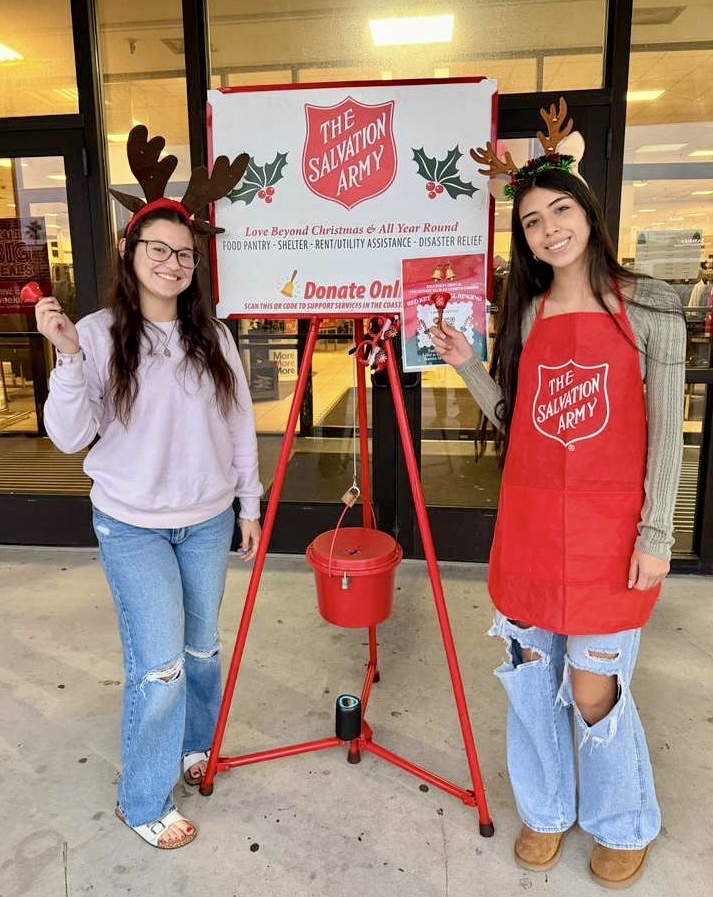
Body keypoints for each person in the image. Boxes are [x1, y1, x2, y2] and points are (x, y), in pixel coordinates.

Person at [431, 159, 686, 888]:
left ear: (587, 212)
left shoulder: (650, 307)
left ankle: (622, 820)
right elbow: (520, 420)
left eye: (558, 211)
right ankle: (544, 808)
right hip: (532, 530)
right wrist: (466, 364)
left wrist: (655, 535)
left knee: (592, 688)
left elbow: (667, 433)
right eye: (532, 222)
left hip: (612, 538)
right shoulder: (527, 313)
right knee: (529, 675)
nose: (549, 230)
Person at [34, 202, 263, 850]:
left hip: (208, 521)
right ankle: (142, 797)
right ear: (130, 257)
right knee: (159, 667)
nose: (172, 262)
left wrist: (247, 505)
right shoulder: (98, 333)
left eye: (184, 253)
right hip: (132, 525)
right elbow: (69, 436)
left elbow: (238, 426)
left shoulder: (211, 337)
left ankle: (196, 741)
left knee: (202, 649)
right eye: (158, 250)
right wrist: (70, 359)